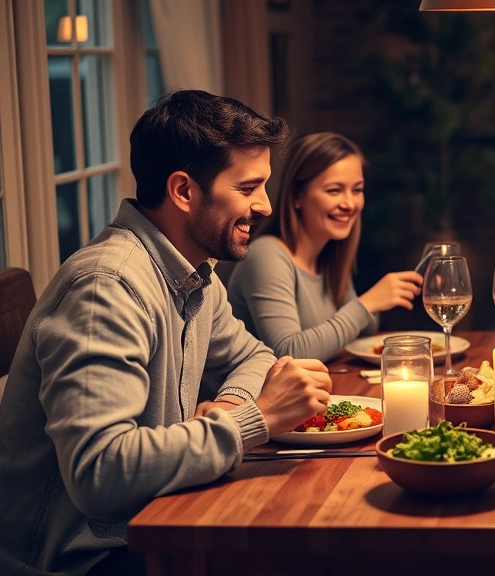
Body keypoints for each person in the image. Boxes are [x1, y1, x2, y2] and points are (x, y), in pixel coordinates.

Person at [0, 90, 334, 576]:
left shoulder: (195, 274)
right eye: (247, 188)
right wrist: (254, 420)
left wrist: (234, 404)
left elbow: (255, 356)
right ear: (183, 191)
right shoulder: (107, 289)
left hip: (151, 521)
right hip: (82, 557)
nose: (264, 205)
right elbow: (100, 474)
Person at [227, 132, 422, 361]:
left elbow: (364, 332)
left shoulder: (329, 253)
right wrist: (368, 303)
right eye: (334, 190)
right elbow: (289, 353)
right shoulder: (266, 255)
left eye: (357, 190)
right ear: (297, 196)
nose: (349, 204)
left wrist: (369, 306)